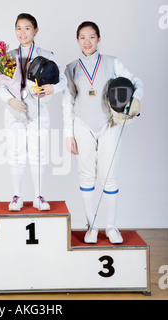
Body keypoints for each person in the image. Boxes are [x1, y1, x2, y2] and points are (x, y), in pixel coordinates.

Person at [63, 21, 143, 244]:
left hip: (109, 123)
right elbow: (67, 102)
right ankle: (91, 226)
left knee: (109, 176)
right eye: (82, 37)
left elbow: (137, 82)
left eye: (91, 37)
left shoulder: (112, 62)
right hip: (82, 124)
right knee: (86, 175)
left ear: (99, 39)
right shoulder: (71, 68)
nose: (87, 41)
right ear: (77, 40)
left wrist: (135, 100)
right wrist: (69, 134)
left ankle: (111, 226)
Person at [0, 13, 67, 211]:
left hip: (38, 110)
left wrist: (51, 89)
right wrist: (10, 100)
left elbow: (61, 80)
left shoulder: (47, 54)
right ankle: (16, 196)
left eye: (27, 28)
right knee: (15, 153)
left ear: (35, 30)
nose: (22, 32)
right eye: (19, 28)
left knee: (38, 153)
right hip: (14, 112)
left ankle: (39, 196)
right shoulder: (7, 57)